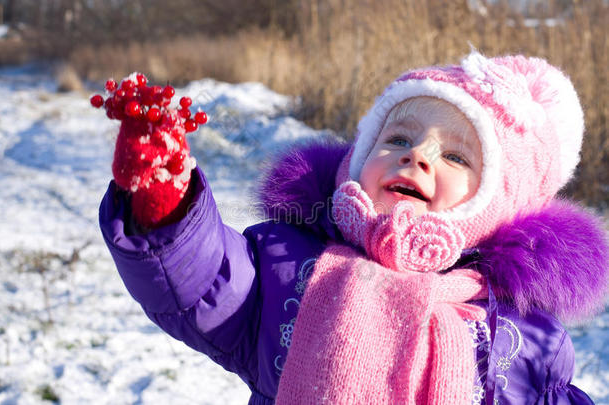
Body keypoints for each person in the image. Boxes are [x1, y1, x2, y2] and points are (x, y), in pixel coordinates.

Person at [98, 51, 608, 404]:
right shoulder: (290, 267)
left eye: (455, 155)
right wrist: (160, 196)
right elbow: (205, 283)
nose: (416, 155)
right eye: (398, 138)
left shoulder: (521, 333)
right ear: (357, 160)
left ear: (498, 205)